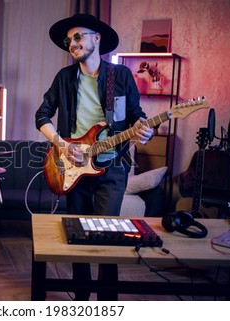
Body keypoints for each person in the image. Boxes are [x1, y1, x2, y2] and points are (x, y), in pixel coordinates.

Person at [35, 14, 154, 300]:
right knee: (77, 236)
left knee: (108, 237)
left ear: (96, 38)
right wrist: (62, 145)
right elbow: (41, 115)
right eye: (69, 40)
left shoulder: (120, 76)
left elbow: (137, 116)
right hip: (74, 167)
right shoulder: (64, 78)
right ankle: (81, 298)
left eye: (78, 37)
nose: (72, 43)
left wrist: (144, 130)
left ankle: (107, 301)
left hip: (112, 167)